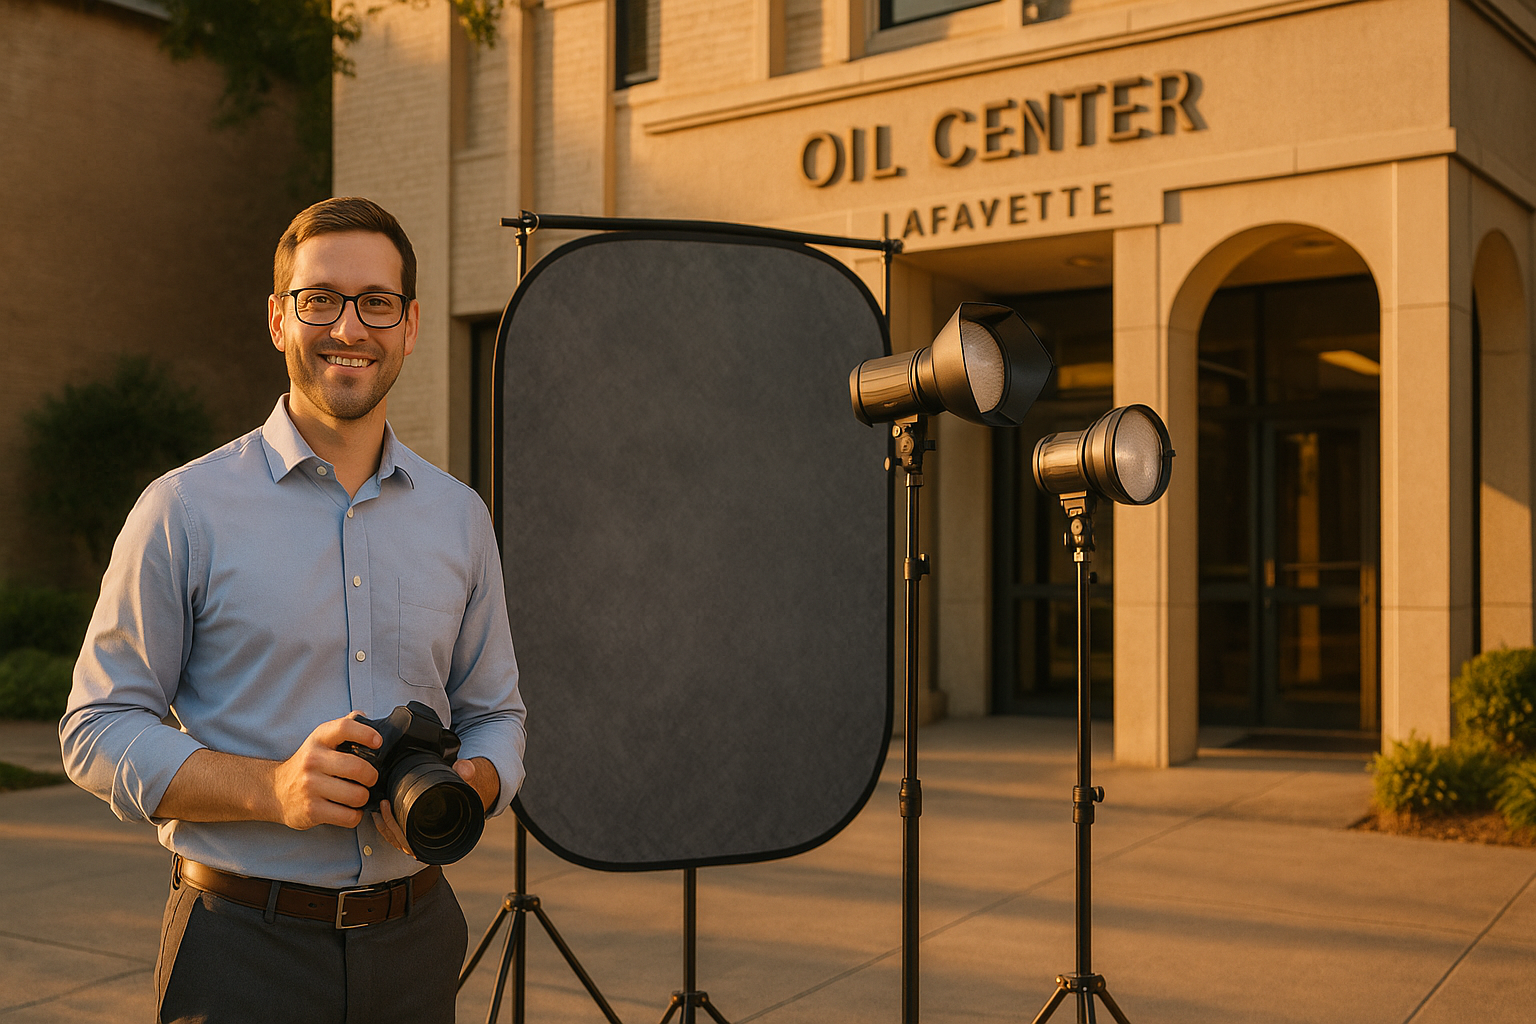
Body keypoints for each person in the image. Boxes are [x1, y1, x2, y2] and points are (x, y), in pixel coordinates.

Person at [60, 196, 526, 1024]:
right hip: (239, 949)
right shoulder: (184, 510)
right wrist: (271, 788)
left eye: (376, 302)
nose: (349, 327)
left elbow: (496, 715)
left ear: (411, 325)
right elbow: (96, 728)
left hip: (418, 945)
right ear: (279, 319)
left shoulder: (460, 518)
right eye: (320, 300)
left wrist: (471, 782)